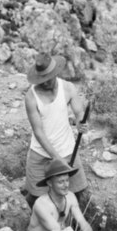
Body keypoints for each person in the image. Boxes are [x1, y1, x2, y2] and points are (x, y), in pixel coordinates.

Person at [24, 53, 90, 209]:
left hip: (67, 150)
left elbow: (79, 113)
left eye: (49, 78)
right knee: (35, 197)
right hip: (40, 154)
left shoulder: (68, 88)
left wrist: (82, 123)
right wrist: (56, 158)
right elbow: (38, 132)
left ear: (55, 73)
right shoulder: (31, 97)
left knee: (78, 193)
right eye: (42, 80)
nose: (45, 83)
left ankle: (72, 228)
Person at [27, 158, 104, 231]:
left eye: (67, 180)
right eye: (61, 182)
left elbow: (83, 223)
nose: (66, 185)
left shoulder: (70, 196)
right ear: (50, 183)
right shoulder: (42, 205)